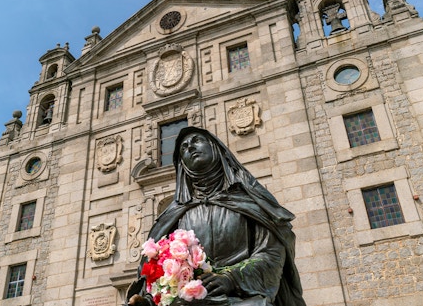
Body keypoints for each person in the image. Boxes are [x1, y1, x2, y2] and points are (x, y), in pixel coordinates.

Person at [128, 127, 306, 306]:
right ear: (182, 164)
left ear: (215, 148)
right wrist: (150, 300)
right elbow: (155, 270)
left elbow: (271, 252)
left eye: (196, 141)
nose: (189, 148)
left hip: (242, 297)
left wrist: (232, 279)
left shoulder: (250, 201)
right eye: (183, 148)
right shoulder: (175, 215)